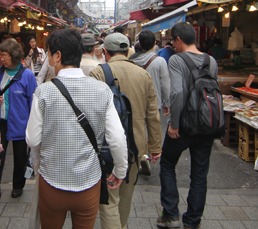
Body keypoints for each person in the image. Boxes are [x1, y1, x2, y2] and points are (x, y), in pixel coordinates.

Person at [26, 29, 128, 229]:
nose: (49, 60)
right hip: (88, 183)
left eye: (49, 54)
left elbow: (32, 140)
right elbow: (117, 137)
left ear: (58, 56)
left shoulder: (43, 91)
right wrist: (120, 170)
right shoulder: (102, 90)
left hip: (51, 182)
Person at [90, 33, 162, 229]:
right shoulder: (143, 74)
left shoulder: (98, 73)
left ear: (105, 52)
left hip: (107, 147)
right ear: (127, 51)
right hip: (136, 145)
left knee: (109, 200)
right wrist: (155, 146)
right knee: (126, 197)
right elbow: (153, 115)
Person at [157, 22, 218, 229]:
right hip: (207, 125)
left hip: (183, 125)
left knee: (167, 164)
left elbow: (177, 93)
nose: (173, 46)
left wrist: (174, 124)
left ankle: (171, 214)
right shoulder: (212, 61)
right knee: (199, 174)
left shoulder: (176, 60)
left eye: (173, 41)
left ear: (178, 40)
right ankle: (192, 222)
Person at [0, 38, 37, 199]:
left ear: (14, 56)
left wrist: (33, 125)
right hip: (0, 122)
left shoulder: (27, 75)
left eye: (4, 55)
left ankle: (18, 186)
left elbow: (33, 101)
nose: (1, 59)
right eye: (1, 55)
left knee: (20, 156)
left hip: (21, 123)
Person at [129, 30, 170, 177]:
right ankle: (148, 154)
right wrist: (167, 103)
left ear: (139, 43)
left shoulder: (131, 60)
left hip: (135, 101)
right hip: (155, 101)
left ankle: (140, 155)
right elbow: (165, 84)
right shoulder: (159, 61)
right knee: (152, 128)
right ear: (154, 43)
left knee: (137, 129)